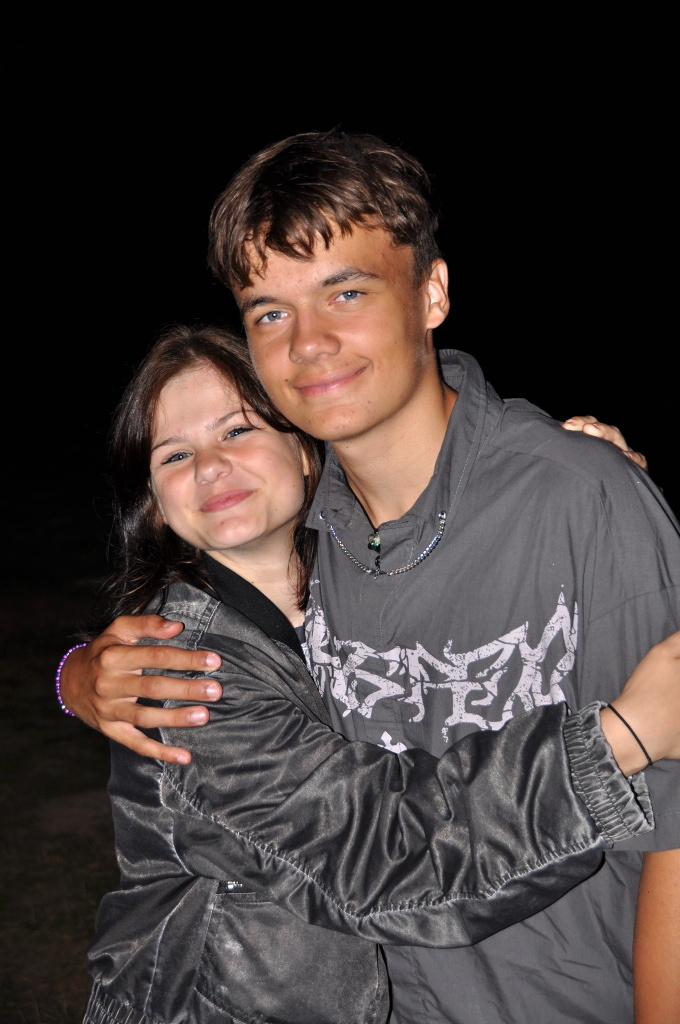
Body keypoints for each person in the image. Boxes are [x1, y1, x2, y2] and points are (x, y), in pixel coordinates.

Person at [63, 131, 680, 1023]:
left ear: (431, 292)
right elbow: (374, 859)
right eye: (269, 312)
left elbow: (672, 833)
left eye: (345, 292)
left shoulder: (574, 499)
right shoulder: (211, 641)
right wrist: (78, 673)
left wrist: (586, 475)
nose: (309, 343)